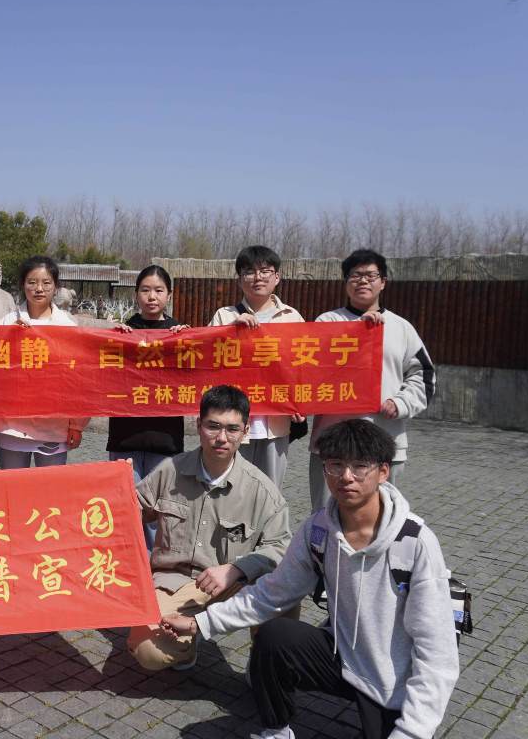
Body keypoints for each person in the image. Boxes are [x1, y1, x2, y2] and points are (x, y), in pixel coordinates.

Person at [163, 419, 459, 739]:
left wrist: (412, 731)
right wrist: (201, 623)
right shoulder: (318, 529)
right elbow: (272, 593)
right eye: (336, 465)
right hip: (342, 656)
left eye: (360, 466)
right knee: (274, 636)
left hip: (392, 679)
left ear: (383, 472)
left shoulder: (414, 543)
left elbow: (436, 651)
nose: (346, 476)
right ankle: (277, 730)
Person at [128, 385, 292, 671]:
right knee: (148, 651)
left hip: (232, 585)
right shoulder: (170, 470)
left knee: (286, 590)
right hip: (174, 583)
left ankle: (265, 664)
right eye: (213, 426)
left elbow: (281, 547)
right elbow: (129, 513)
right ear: (198, 426)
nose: (222, 438)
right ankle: (185, 646)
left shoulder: (262, 491)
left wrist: (237, 568)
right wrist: (117, 484)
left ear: (245, 431)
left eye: (232, 429)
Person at [308, 248, 436, 511]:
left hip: (385, 440)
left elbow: (423, 376)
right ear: (346, 282)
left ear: (383, 282)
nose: (363, 281)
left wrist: (400, 403)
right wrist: (357, 332)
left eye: (370, 275)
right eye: (355, 275)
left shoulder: (401, 327)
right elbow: (309, 370)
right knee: (326, 518)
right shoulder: (327, 322)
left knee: (380, 519)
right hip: (332, 445)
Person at [208, 245, 304, 489]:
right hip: (232, 424)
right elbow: (205, 359)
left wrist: (303, 403)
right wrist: (230, 331)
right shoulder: (224, 316)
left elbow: (304, 368)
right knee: (229, 489)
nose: (258, 277)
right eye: (249, 272)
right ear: (240, 279)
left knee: (270, 491)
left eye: (265, 271)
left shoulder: (292, 317)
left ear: (277, 277)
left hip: (277, 424)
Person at [108, 265, 189, 548]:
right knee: (127, 504)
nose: (151, 297)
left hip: (165, 436)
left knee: (159, 508)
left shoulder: (181, 334)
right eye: (145, 290)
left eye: (158, 290)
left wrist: (188, 341)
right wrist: (113, 338)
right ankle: (129, 560)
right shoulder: (123, 332)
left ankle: (158, 565)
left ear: (169, 295)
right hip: (125, 434)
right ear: (136, 294)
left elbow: (193, 377)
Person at [0, 255, 89, 468]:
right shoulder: (7, 322)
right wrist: (11, 338)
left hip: (53, 426)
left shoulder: (68, 327)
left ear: (56, 286)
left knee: (51, 488)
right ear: (23, 285)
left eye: (46, 283)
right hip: (13, 425)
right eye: (32, 282)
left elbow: (79, 382)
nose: (39, 289)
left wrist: (77, 425)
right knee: (12, 486)